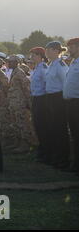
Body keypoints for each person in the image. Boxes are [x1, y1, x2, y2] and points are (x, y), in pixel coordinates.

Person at [45, 41, 70, 170]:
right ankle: (56, 156)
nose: (47, 52)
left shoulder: (60, 65)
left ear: (56, 51)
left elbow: (65, 83)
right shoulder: (51, 64)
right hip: (50, 98)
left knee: (60, 129)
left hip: (58, 99)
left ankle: (63, 158)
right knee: (53, 128)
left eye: (49, 50)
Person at [5, 55, 34, 154]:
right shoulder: (13, 72)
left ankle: (25, 144)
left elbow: (26, 87)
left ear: (17, 62)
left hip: (19, 102)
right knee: (15, 123)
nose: (9, 63)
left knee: (21, 123)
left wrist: (28, 102)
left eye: (12, 61)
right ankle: (17, 142)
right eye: (9, 61)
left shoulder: (20, 72)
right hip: (13, 102)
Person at [28, 47, 50, 163]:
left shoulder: (43, 68)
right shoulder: (37, 68)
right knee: (38, 126)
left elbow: (47, 84)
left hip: (42, 99)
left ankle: (46, 153)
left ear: (40, 56)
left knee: (42, 127)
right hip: (36, 98)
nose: (31, 57)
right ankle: (42, 151)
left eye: (34, 55)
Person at [63, 37, 79, 175]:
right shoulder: (74, 62)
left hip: (77, 102)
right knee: (74, 134)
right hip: (71, 103)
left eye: (72, 46)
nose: (69, 49)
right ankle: (75, 163)